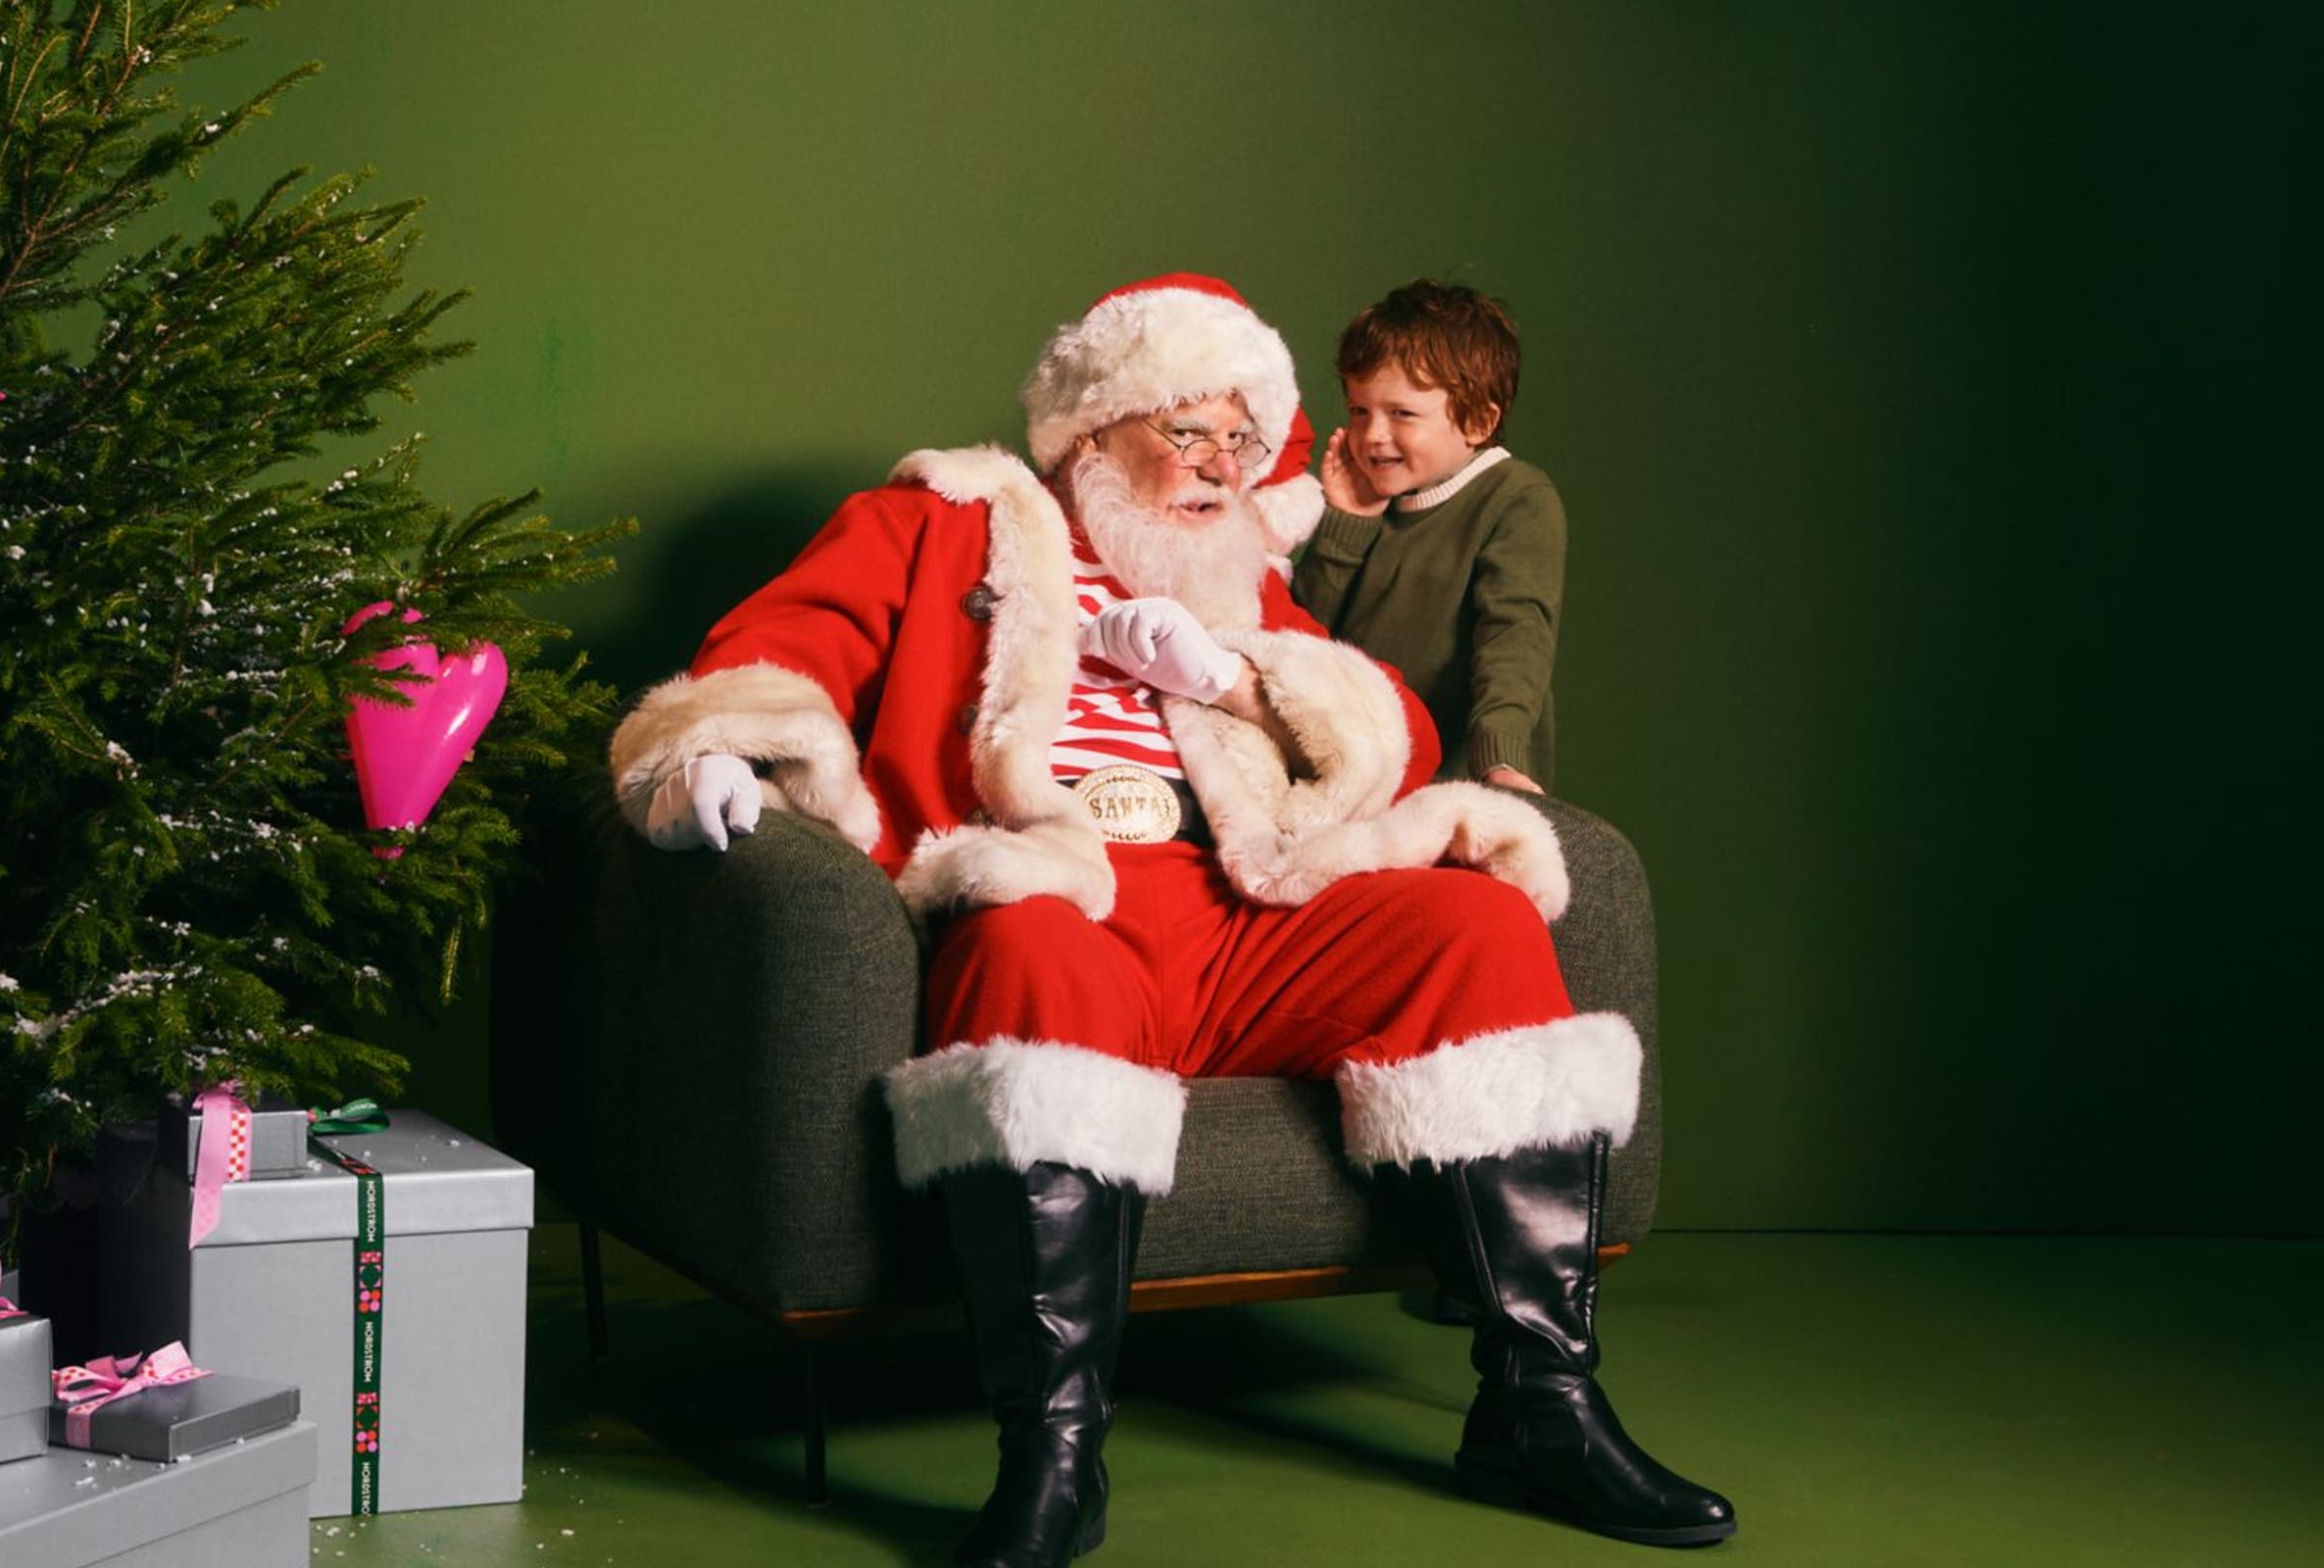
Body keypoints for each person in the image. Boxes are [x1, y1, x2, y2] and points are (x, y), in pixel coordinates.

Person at [609, 273, 1734, 1562]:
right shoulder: (948, 516)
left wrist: (1243, 681)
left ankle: (1541, 1411)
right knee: (1027, 951)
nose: (1220, 466)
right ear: (1098, 427)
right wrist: (718, 752)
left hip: (1238, 907)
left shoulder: (1232, 576)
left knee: (1470, 927)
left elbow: (1400, 739)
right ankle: (1055, 1460)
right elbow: (785, 641)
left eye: (1244, 439)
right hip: (1064, 893)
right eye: (1186, 432)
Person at [1294, 279, 1564, 793]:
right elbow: (1300, 640)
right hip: (1354, 785)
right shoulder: (1367, 502)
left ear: (1478, 421)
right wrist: (1346, 524)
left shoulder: (1514, 497)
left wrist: (1500, 761)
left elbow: (1514, 637)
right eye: (1359, 411)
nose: (1373, 435)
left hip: (1462, 786)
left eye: (1402, 414)